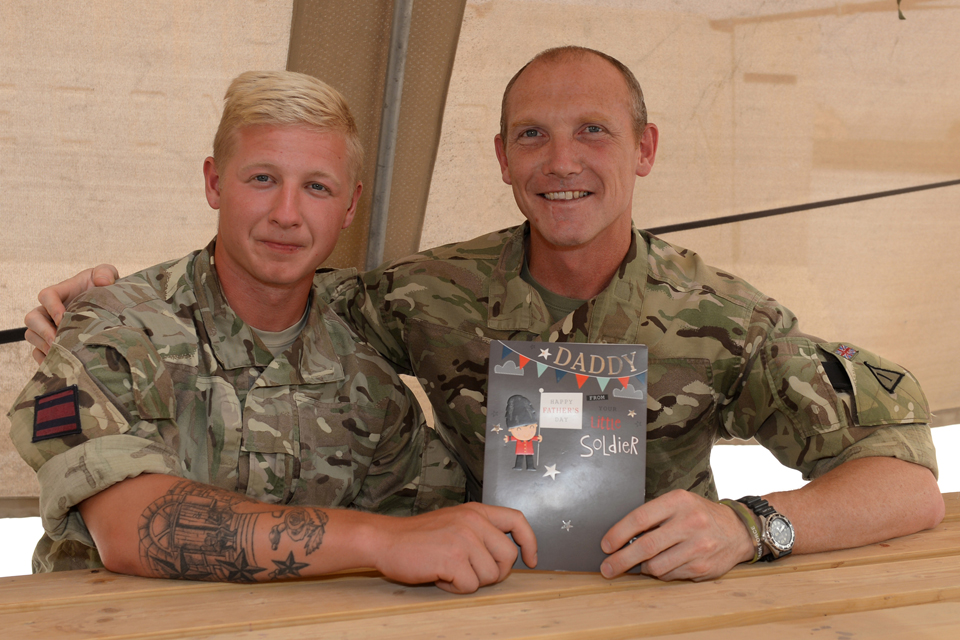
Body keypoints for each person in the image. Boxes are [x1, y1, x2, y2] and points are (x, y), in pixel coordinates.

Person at [24, 48, 943, 583]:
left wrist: (754, 525)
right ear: (501, 157)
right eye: (533, 136)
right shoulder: (420, 300)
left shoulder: (725, 318)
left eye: (594, 131)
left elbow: (903, 478)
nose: (562, 160)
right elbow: (258, 303)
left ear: (645, 148)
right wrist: (98, 307)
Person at [9, 70, 536, 594]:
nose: (287, 214)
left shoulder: (368, 386)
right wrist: (381, 541)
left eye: (316, 187)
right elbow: (135, 529)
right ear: (215, 183)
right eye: (262, 179)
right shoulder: (115, 331)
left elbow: (450, 523)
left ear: (350, 206)